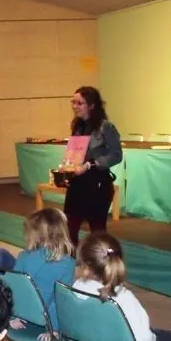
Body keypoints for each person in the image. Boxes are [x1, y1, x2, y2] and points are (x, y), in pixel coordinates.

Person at [74, 233, 171, 341]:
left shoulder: (77, 287)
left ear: (85, 266)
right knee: (167, 338)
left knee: (152, 333)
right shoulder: (124, 298)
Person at [12, 208, 76, 341]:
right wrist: (54, 329)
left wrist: (13, 316)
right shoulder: (68, 263)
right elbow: (61, 300)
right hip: (47, 320)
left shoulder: (23, 257)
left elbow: (14, 288)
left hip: (23, 315)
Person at [64, 86, 123, 246]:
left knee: (97, 231)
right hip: (78, 184)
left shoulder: (106, 127)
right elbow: (75, 153)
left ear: (91, 105)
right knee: (70, 228)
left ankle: (101, 265)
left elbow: (117, 155)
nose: (75, 106)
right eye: (73, 102)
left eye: (80, 103)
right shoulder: (77, 126)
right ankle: (71, 263)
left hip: (97, 184)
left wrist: (92, 163)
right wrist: (67, 166)